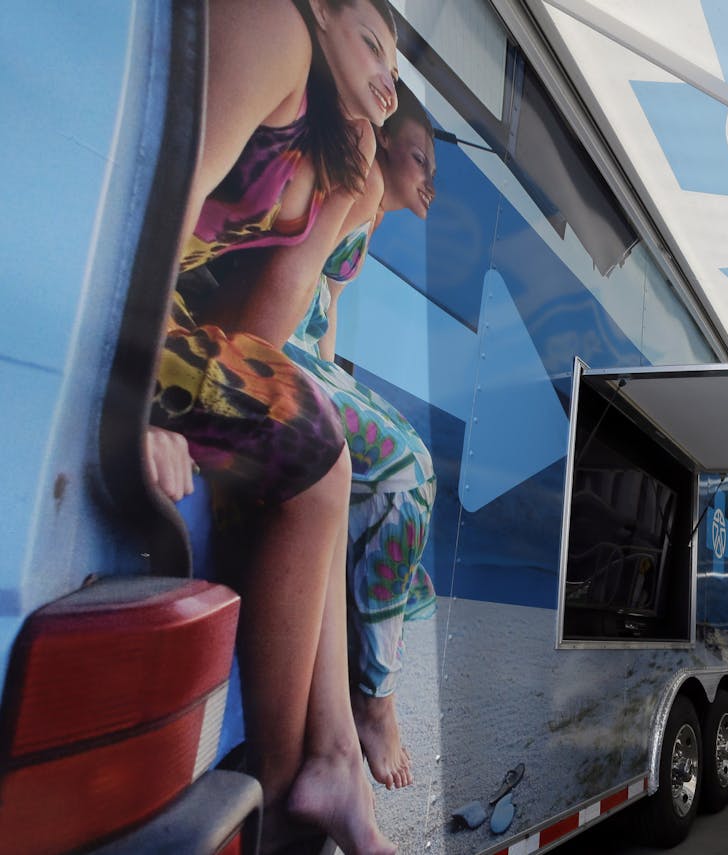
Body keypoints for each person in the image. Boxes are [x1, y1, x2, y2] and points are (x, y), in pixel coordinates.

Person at [141, 1, 401, 851]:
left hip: (172, 324)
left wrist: (343, 199)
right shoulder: (277, 28)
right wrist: (140, 392)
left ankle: (317, 768)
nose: (388, 79)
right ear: (324, 13)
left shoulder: (334, 144)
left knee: (314, 444)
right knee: (321, 443)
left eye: (397, 67)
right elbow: (159, 187)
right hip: (118, 294)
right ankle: (297, 795)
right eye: (373, 42)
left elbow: (259, 335)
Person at [283, 82, 438, 790]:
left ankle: (363, 671)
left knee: (395, 492)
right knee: (411, 467)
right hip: (273, 344)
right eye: (421, 157)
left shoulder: (376, 206)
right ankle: (374, 696)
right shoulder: (365, 171)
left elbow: (329, 304)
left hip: (305, 352)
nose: (426, 176)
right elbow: (299, 284)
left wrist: (342, 392)